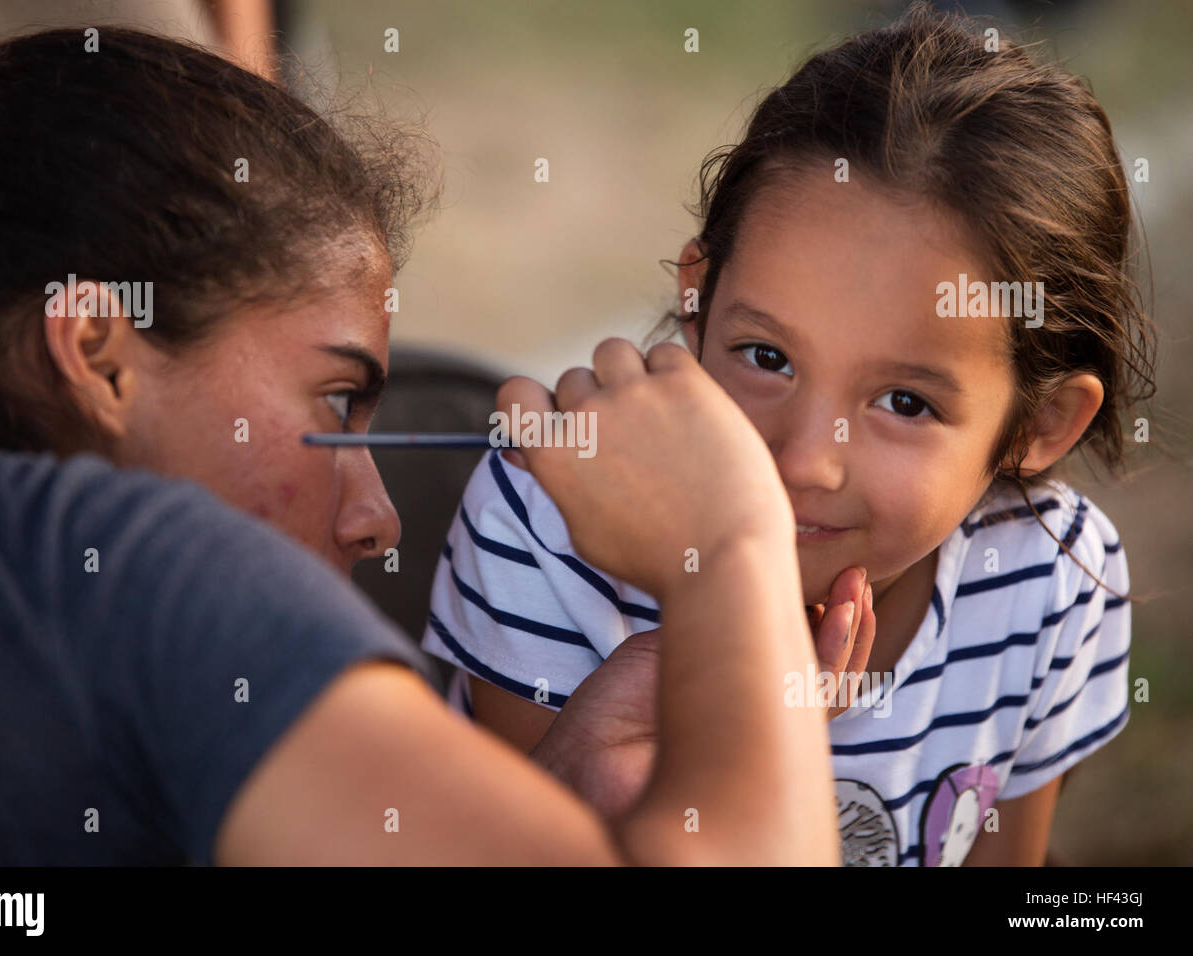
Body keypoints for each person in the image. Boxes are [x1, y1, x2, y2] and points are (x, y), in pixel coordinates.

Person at [0, 27, 839, 865]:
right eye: (338, 398)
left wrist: (561, 781)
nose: (379, 519)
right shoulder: (133, 569)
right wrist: (730, 548)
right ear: (98, 357)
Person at [423, 3, 1154, 866]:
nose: (803, 459)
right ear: (698, 300)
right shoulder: (548, 526)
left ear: (1039, 424)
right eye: (766, 355)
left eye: (905, 404)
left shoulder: (1050, 578)